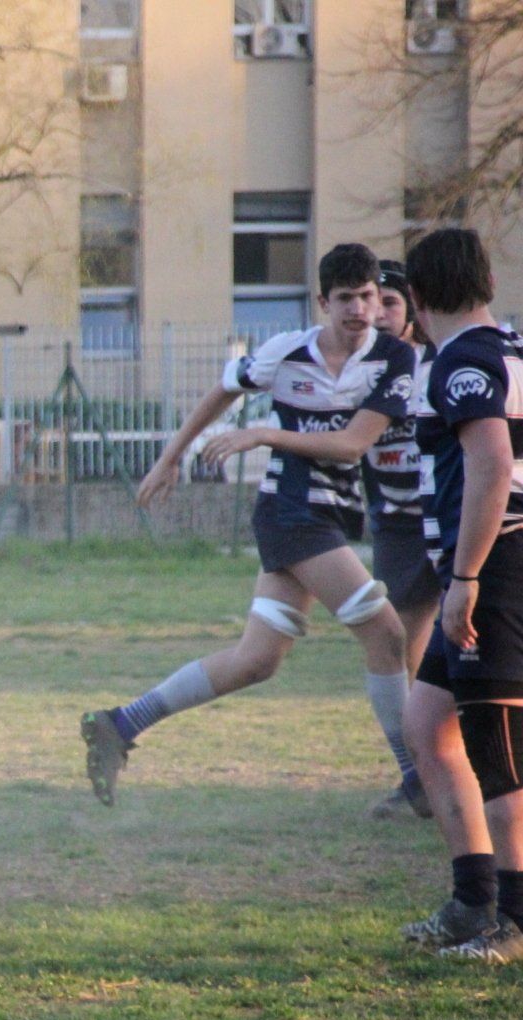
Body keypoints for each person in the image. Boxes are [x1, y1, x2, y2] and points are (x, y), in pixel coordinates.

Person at [81, 243, 419, 811]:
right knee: (386, 635)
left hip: (329, 515)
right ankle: (416, 780)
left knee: (257, 660)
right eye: (346, 299)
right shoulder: (286, 351)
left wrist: (264, 433)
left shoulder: (393, 358)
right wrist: (169, 458)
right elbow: (222, 390)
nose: (360, 309)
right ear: (322, 302)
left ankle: (120, 723)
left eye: (368, 297)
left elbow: (352, 444)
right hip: (292, 512)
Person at [399, 228, 523, 964]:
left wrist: (467, 578)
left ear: (416, 299)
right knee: (427, 724)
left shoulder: (462, 362)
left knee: (498, 751)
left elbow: (493, 463)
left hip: (495, 570)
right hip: (492, 567)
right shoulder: (510, 350)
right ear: (486, 282)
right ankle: (472, 900)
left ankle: (514, 922)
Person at [359, 259, 440, 819]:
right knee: (402, 650)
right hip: (397, 526)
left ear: (412, 311)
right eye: (371, 302)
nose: (379, 314)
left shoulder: (439, 366)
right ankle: (420, 778)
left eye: (390, 302)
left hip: (451, 518)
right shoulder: (356, 373)